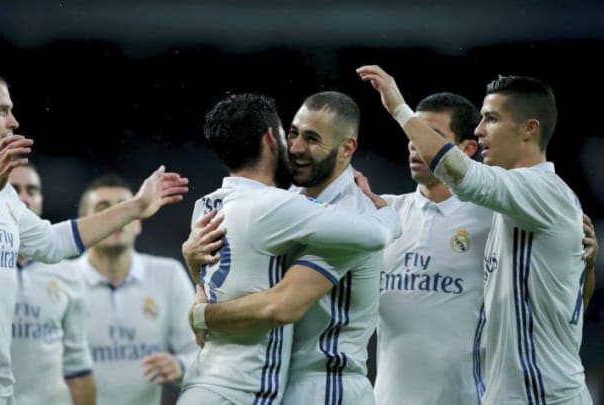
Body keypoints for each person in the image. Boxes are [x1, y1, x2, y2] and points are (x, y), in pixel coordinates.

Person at [0, 68, 187, 405]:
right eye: (2, 110)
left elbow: (52, 243)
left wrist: (135, 207)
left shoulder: (3, 195)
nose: (13, 121)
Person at [357, 65, 595, 404]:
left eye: (492, 119)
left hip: (542, 397)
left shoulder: (542, 191)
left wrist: (398, 107)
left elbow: (461, 173)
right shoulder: (510, 208)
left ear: (529, 129)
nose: (481, 131)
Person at [177, 93, 400, 405]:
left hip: (324, 384)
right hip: (272, 381)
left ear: (346, 149)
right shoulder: (286, 201)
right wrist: (192, 260)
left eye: (312, 139)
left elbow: (282, 305)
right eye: (293, 133)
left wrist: (202, 315)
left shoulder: (354, 216)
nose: (295, 148)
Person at [372, 92, 491, 404]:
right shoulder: (385, 213)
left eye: (430, 135)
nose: (415, 143)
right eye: (412, 133)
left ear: (467, 149)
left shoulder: (491, 221)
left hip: (465, 397)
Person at [72, 174, 198, 405]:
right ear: (85, 225)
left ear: (138, 222)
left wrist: (180, 365)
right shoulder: (63, 280)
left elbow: (202, 354)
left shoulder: (167, 275)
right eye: (103, 209)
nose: (117, 218)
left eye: (125, 209)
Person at [9, 164, 95, 405]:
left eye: (32, 190)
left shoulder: (68, 272)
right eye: (14, 190)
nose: (24, 198)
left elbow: (78, 366)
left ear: (41, 201)